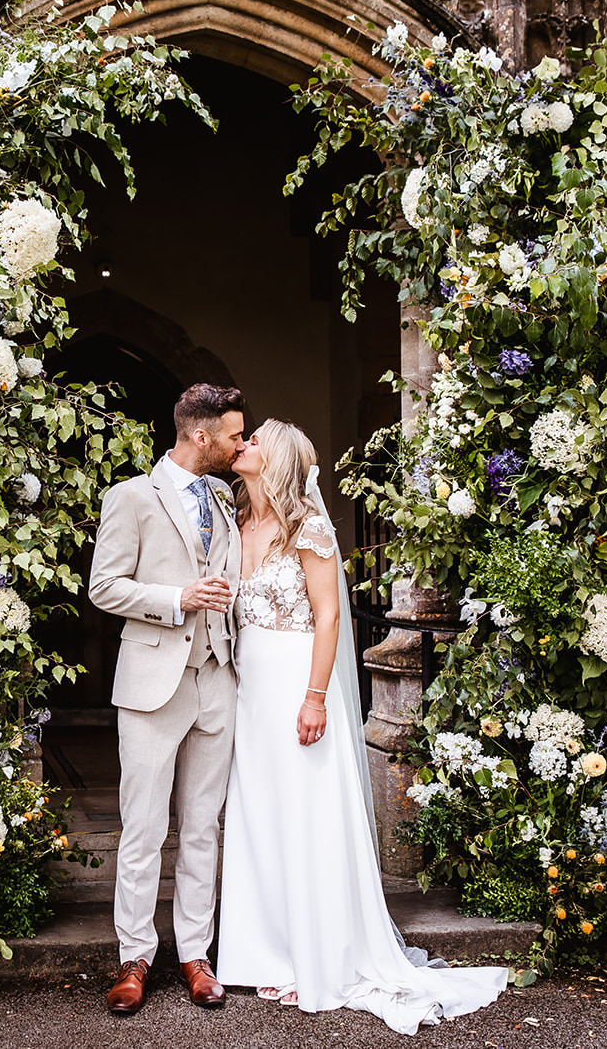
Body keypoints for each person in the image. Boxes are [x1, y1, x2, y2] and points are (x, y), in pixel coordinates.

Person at [216, 418, 508, 1035]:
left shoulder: (309, 529)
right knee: (260, 813)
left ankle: (318, 954)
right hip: (250, 690)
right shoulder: (237, 523)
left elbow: (329, 620)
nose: (241, 445)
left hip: (298, 680)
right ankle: (269, 950)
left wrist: (316, 698)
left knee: (306, 813)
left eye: (254, 441)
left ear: (280, 461)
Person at [87, 383, 246, 1016]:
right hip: (153, 684)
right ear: (199, 435)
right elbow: (104, 586)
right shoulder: (130, 498)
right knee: (145, 828)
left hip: (218, 680)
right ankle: (134, 957)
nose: (240, 443)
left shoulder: (228, 500)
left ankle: (195, 954)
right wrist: (176, 599)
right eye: (232, 433)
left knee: (204, 826)